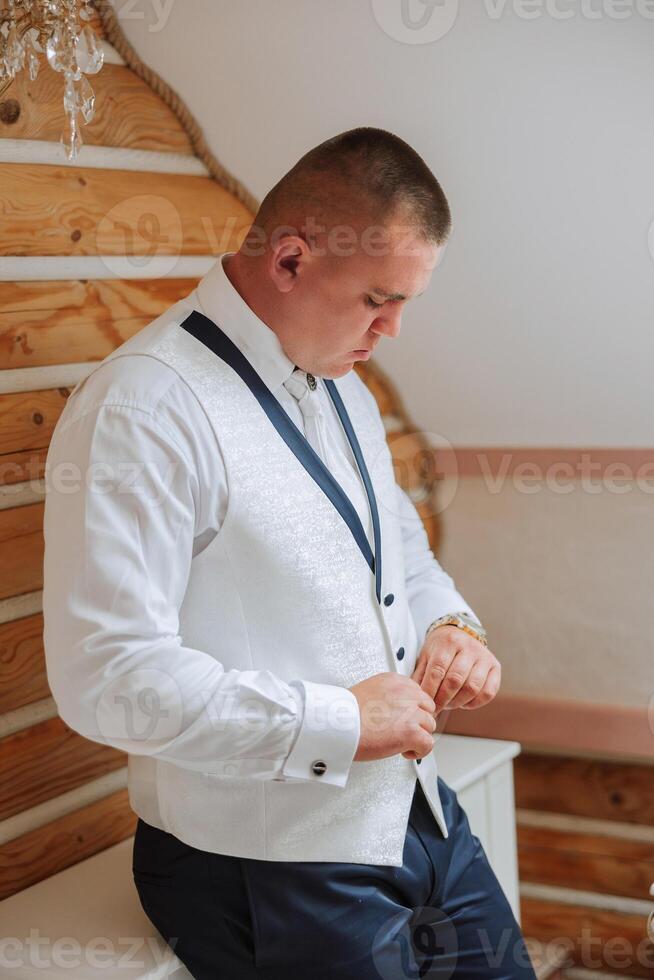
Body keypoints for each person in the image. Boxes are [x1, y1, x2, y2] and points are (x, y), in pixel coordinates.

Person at [43, 127, 537, 979]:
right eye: (379, 299)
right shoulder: (144, 409)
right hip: (263, 861)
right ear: (290, 261)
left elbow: (397, 548)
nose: (393, 330)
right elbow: (106, 678)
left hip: (416, 816)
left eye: (407, 303)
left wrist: (450, 622)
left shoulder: (341, 378)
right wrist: (342, 722)